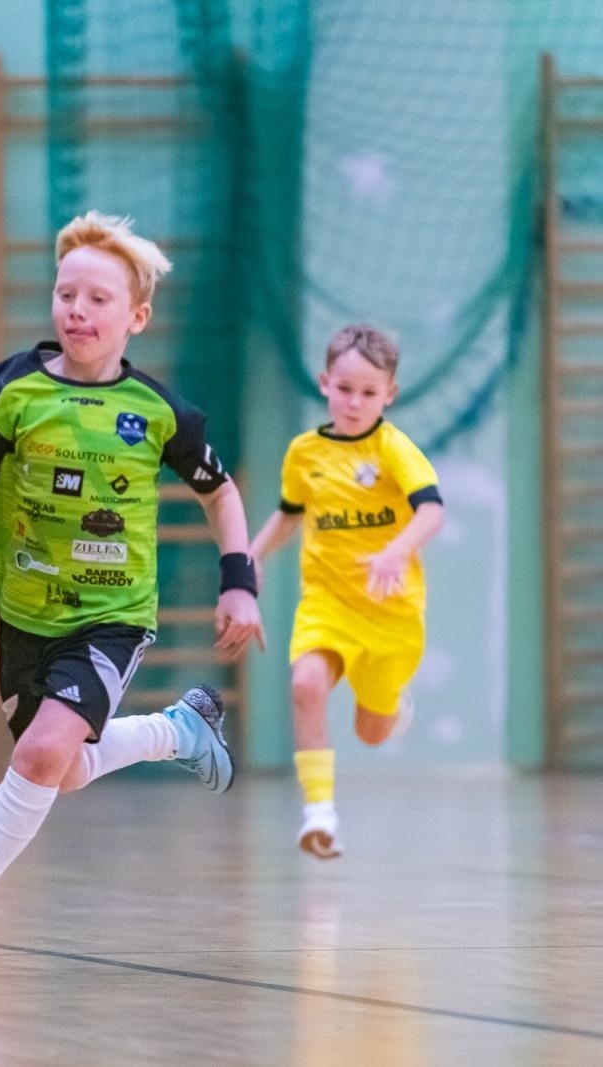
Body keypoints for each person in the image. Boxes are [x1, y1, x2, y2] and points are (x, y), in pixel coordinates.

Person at [0, 211, 264, 966]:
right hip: (24, 617)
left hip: (111, 617)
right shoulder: (10, 391)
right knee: (57, 772)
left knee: (37, 757)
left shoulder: (159, 412)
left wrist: (240, 582)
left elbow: (221, 492)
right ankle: (178, 730)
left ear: (136, 316)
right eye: (66, 293)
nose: (76, 309)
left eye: (98, 299)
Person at [248, 324, 443, 859]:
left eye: (369, 392)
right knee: (306, 683)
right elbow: (289, 516)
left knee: (372, 732)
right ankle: (320, 815)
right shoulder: (304, 453)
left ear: (389, 394)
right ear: (325, 382)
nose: (355, 402)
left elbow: (431, 510)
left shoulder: (393, 449)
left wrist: (396, 552)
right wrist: (252, 554)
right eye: (345, 388)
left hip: (390, 612)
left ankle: (393, 706)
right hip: (327, 603)